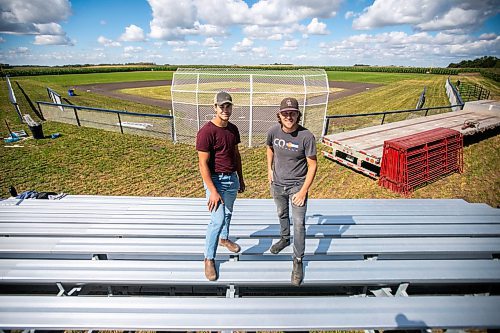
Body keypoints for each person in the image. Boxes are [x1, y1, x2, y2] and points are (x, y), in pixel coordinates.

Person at [266, 97, 317, 286]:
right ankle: (284, 239)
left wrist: (303, 191)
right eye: (285, 113)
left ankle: (298, 260)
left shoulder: (306, 137)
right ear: (279, 115)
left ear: (298, 114)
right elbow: (269, 148)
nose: (289, 116)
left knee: (299, 224)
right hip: (277, 184)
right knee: (281, 214)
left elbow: (312, 165)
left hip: (297, 186)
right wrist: (269, 169)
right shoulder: (273, 131)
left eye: (293, 113)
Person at [196, 91, 245, 281]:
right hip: (215, 181)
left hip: (231, 179)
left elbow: (236, 155)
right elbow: (202, 164)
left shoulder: (233, 129)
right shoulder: (206, 132)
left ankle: (224, 239)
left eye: (228, 106)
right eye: (221, 106)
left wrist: (240, 178)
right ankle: (209, 258)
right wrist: (213, 191)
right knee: (217, 220)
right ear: (214, 108)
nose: (225, 110)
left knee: (228, 213)